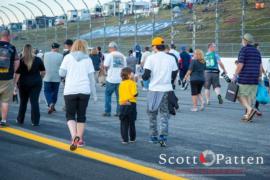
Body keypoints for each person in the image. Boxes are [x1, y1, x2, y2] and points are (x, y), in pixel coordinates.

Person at [59, 39, 97, 150]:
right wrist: (94, 95)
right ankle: (79, 139)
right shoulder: (88, 60)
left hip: (70, 90)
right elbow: (92, 79)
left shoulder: (67, 57)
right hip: (84, 90)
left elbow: (61, 73)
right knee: (81, 115)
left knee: (70, 115)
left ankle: (74, 136)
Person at [142, 37, 178, 147]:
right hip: (167, 89)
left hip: (154, 90)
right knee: (164, 114)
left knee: (152, 114)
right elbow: (175, 72)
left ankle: (153, 136)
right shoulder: (171, 58)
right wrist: (169, 81)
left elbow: (146, 75)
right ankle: (163, 136)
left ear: (154, 46)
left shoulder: (151, 58)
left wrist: (142, 77)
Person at [233, 33, 262, 122]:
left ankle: (249, 109)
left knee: (238, 95)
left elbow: (241, 64)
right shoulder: (257, 51)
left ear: (245, 41)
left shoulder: (244, 50)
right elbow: (260, 65)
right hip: (255, 77)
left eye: (242, 40)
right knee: (249, 96)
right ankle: (248, 116)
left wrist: (235, 75)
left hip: (245, 76)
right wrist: (259, 76)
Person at [15, 44, 45, 126]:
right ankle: (35, 121)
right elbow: (43, 72)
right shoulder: (38, 59)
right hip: (36, 83)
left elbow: (17, 73)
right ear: (32, 50)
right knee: (34, 102)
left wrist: (15, 85)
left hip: (23, 83)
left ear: (23, 50)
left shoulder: (21, 61)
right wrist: (40, 78)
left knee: (23, 102)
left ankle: (20, 119)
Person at [0, 29, 20, 127]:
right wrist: (13, 72)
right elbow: (17, 62)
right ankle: (3, 121)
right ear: (8, 36)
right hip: (7, 78)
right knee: (5, 101)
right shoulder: (12, 48)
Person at [103, 42, 126, 117]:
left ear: (112, 48)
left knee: (108, 95)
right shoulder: (122, 56)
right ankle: (119, 112)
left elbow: (105, 65)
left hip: (111, 79)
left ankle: (107, 111)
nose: (109, 50)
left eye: (109, 48)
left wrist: (106, 71)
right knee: (119, 97)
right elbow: (125, 68)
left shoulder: (110, 55)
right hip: (120, 79)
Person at [118, 67, 137, 144]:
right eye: (132, 73)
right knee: (131, 122)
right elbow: (135, 94)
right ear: (129, 75)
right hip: (131, 103)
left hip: (122, 104)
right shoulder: (132, 83)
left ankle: (124, 139)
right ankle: (132, 138)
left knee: (123, 122)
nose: (133, 74)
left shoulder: (121, 83)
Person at [43, 43, 63, 114]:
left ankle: (50, 104)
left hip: (47, 76)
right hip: (56, 77)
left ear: (52, 47)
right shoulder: (61, 56)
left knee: (47, 91)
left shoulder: (45, 54)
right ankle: (53, 105)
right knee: (55, 92)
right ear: (57, 48)